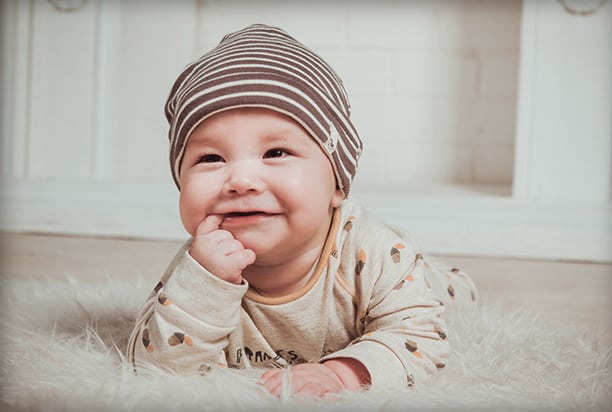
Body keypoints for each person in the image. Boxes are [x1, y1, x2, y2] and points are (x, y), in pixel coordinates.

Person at [126, 23, 477, 398]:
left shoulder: (373, 253)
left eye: (276, 153)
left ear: (337, 185)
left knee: (442, 295)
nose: (241, 180)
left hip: (401, 272)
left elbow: (420, 338)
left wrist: (343, 374)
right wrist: (205, 286)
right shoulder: (200, 266)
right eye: (211, 157)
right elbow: (154, 366)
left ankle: (442, 275)